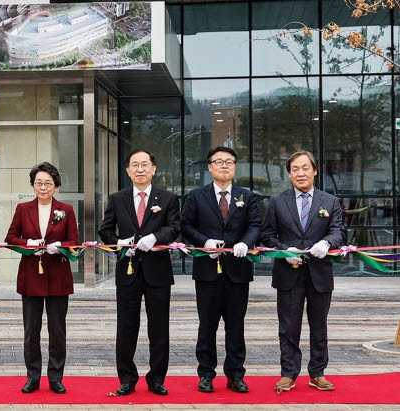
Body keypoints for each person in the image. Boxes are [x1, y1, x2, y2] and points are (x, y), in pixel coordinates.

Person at [260, 150, 345, 393]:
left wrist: (326, 243)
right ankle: (288, 374)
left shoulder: (330, 201)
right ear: (289, 173)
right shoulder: (277, 201)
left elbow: (338, 232)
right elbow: (267, 235)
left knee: (319, 326)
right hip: (288, 275)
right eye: (295, 169)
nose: (300, 173)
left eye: (305, 168)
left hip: (320, 274)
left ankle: (317, 373)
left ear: (315, 170)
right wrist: (285, 251)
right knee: (288, 327)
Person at [98, 149, 180, 396]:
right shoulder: (117, 198)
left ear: (154, 169)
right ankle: (127, 378)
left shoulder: (168, 198)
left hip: (158, 272)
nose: (140, 169)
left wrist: (155, 237)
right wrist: (119, 243)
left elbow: (175, 228)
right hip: (128, 270)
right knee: (126, 327)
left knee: (159, 328)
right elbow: (105, 230)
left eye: (145, 164)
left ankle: (157, 379)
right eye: (135, 165)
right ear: (128, 171)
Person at [181, 147, 261, 394]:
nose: (224, 166)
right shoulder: (197, 196)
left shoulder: (248, 197)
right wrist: (203, 241)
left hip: (238, 271)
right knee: (207, 325)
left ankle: (236, 374)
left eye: (229, 162)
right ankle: (206, 374)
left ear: (235, 167)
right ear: (210, 167)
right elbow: (185, 225)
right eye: (218, 162)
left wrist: (245, 243)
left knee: (236, 325)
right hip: (207, 271)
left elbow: (256, 225)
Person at [3, 162, 79, 394]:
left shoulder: (66, 209)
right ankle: (33, 376)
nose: (43, 187)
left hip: (58, 276)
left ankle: (56, 377)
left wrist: (59, 246)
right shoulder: (23, 209)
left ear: (56, 186)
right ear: (33, 185)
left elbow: (74, 241)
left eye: (48, 183)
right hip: (31, 276)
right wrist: (29, 244)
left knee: (57, 330)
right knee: (31, 331)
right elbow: (10, 238)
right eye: (38, 183)